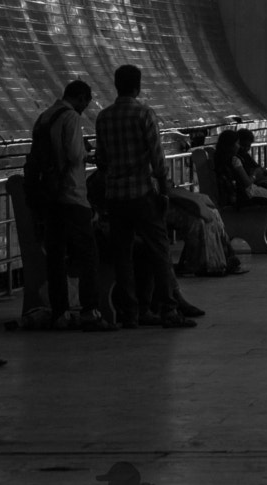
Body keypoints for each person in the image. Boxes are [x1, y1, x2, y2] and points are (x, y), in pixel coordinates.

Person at [94, 65, 193, 329]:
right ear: (138, 86)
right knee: (159, 250)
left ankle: (130, 313)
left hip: (115, 197)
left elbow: (100, 160)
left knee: (123, 254)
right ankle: (169, 310)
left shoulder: (103, 117)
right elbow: (157, 159)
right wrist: (163, 190)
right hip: (142, 194)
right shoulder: (144, 114)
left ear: (116, 85)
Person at [23, 80, 109, 330]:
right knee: (88, 253)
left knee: (56, 255)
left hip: (49, 198)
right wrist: (86, 152)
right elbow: (73, 155)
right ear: (80, 97)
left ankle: (59, 313)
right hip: (71, 194)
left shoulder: (44, 116)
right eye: (86, 102)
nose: (85, 108)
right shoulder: (71, 117)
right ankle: (90, 312)